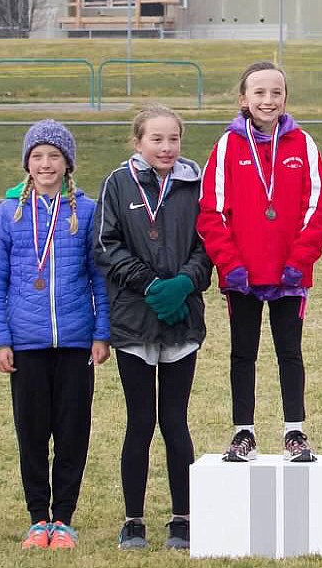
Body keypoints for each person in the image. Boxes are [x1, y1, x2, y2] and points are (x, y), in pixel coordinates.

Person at [0, 119, 110, 550]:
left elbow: (100, 278)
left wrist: (101, 332)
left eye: (54, 156)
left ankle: (65, 519)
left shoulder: (87, 211)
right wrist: (0, 339)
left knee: (73, 432)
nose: (45, 164)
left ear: (68, 163)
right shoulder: (8, 213)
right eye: (37, 156)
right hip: (27, 344)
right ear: (27, 163)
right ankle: (39, 518)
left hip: (75, 341)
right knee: (32, 434)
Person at [197, 61, 322, 463]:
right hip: (243, 275)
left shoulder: (303, 144)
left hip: (290, 274)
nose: (267, 100)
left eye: (276, 92)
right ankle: (245, 433)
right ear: (244, 99)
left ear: (285, 98)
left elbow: (319, 208)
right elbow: (211, 212)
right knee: (243, 353)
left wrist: (300, 260)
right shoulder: (227, 147)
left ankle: (295, 432)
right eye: (259, 93)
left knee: (289, 352)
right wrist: (230, 265)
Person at [93, 104, 211, 551]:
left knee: (176, 421)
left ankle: (182, 519)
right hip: (134, 320)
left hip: (182, 318)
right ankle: (134, 521)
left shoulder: (196, 185)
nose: (166, 147)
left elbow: (209, 244)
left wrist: (183, 284)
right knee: (140, 421)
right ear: (138, 142)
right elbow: (106, 245)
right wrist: (150, 284)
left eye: (173, 139)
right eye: (156, 139)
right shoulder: (117, 183)